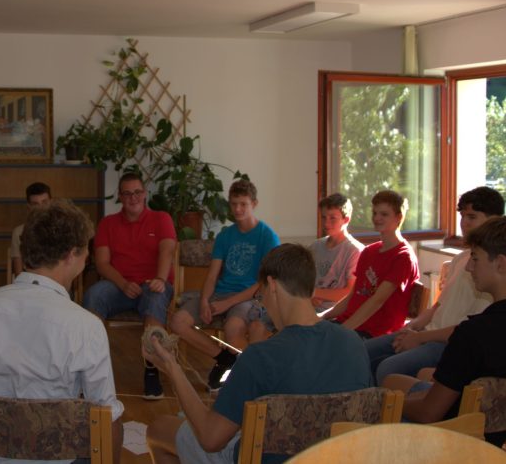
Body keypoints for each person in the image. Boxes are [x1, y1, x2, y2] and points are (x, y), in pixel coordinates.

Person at [145, 244, 372, 464]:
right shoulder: (354, 343)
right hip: (337, 457)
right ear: (311, 290)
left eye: (260, 295)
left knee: (159, 429)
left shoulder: (260, 356)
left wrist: (172, 367)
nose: (263, 304)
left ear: (271, 285)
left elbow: (210, 438)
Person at [0, 199, 124, 464]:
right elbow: (105, 415)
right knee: (113, 422)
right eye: (86, 250)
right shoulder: (85, 325)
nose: (88, 258)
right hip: (56, 459)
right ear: (70, 255)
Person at [386, 217, 506, 446]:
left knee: (384, 400)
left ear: (501, 264)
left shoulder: (473, 334)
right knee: (393, 379)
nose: (468, 267)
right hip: (493, 437)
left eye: (475, 258)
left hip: (455, 439)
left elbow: (428, 413)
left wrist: (387, 405)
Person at [365, 186, 503, 384]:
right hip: (426, 333)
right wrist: (410, 327)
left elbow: (469, 330)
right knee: (361, 351)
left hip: (448, 343)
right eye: (462, 216)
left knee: (387, 368)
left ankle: (386, 402)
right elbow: (438, 306)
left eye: (472, 217)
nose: (464, 223)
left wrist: (421, 338)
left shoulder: (491, 270)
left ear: (494, 220)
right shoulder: (460, 259)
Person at [169, 179, 279, 391]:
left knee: (233, 328)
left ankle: (253, 376)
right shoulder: (225, 236)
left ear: (254, 204)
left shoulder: (267, 236)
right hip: (220, 293)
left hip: (248, 297)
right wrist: (204, 301)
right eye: (234, 204)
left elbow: (262, 284)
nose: (238, 209)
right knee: (178, 321)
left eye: (243, 204)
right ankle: (224, 358)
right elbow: (212, 275)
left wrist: (227, 304)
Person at [83, 172, 177, 400]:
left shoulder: (162, 218)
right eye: (127, 193)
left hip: (153, 283)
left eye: (137, 192)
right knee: (94, 294)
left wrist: (160, 279)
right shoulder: (107, 224)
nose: (133, 198)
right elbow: (102, 263)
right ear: (120, 196)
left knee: (156, 297)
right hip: (119, 285)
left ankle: (152, 369)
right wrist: (123, 284)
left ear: (145, 194)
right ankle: (91, 368)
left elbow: (167, 251)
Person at [321, 190, 419, 339]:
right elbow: (353, 295)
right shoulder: (369, 251)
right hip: (349, 324)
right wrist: (323, 316)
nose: (377, 218)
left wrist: (342, 332)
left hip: (374, 332)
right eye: (375, 213)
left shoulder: (403, 257)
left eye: (384, 214)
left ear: (399, 217)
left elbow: (377, 301)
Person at [309, 193, 364, 312]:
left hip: (334, 313)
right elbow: (303, 279)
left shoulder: (355, 251)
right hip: (310, 309)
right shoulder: (315, 246)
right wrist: (307, 297)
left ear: (346, 219)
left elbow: (350, 291)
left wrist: (313, 293)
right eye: (323, 217)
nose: (326, 223)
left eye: (332, 218)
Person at [9, 181, 52, 278]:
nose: (41, 208)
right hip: (30, 282)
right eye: (35, 204)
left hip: (56, 283)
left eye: (44, 202)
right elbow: (18, 273)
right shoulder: (19, 232)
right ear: (29, 206)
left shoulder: (62, 228)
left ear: (51, 202)